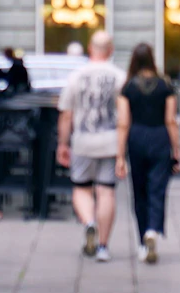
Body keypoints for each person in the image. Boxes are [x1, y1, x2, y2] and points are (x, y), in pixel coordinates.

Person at [57, 29, 124, 262]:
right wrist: (123, 152)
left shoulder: (76, 76)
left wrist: (63, 144)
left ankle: (89, 222)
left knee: (81, 188)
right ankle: (103, 247)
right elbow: (125, 116)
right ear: (111, 50)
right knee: (106, 191)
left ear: (90, 48)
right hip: (110, 141)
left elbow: (66, 114)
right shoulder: (119, 76)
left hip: (83, 141)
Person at [116, 43, 178, 264]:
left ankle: (143, 241)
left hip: (136, 137)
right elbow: (171, 120)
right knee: (157, 189)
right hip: (160, 137)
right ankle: (153, 229)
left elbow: (123, 122)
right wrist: (176, 151)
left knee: (139, 190)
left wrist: (120, 156)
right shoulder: (165, 85)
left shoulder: (128, 87)